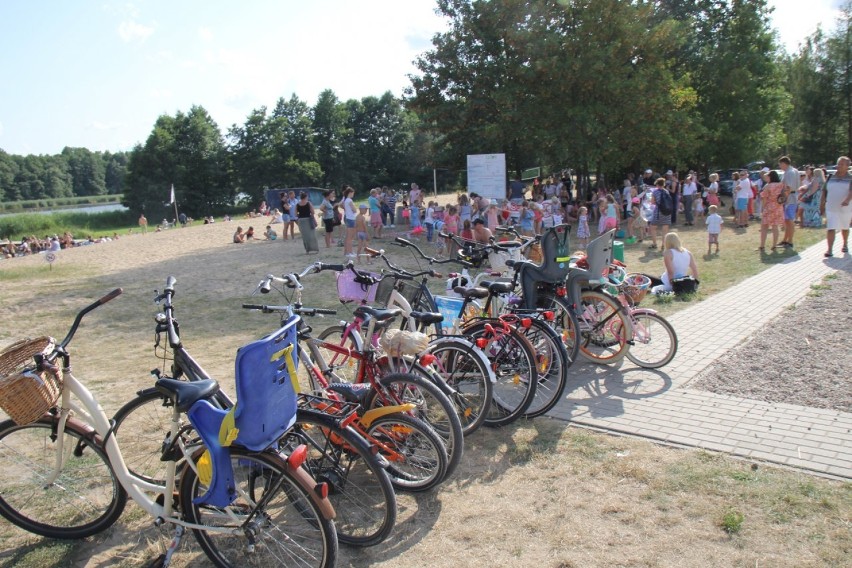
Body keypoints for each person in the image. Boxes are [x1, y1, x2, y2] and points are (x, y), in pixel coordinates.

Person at [820, 156, 852, 257]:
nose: (839, 166)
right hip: (831, 207)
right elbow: (824, 191)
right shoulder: (830, 177)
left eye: (842, 164)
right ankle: (829, 250)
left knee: (845, 227)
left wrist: (847, 200)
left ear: (847, 166)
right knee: (831, 227)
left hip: (845, 208)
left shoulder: (850, 178)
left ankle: (845, 243)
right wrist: (822, 204)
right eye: (838, 163)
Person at [778, 156, 800, 248]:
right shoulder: (791, 171)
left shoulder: (790, 172)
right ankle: (785, 239)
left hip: (790, 199)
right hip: (790, 198)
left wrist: (783, 198)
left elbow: (788, 188)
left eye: (780, 164)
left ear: (784, 163)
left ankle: (790, 241)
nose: (780, 166)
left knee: (790, 220)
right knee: (787, 220)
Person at [648, 178, 670, 249]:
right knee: (665, 229)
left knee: (653, 227)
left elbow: (652, 202)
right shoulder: (667, 192)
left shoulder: (655, 192)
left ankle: (654, 244)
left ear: (657, 184)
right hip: (667, 212)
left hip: (658, 212)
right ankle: (663, 245)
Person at [342, 186, 358, 257]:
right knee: (350, 238)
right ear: (350, 193)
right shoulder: (350, 200)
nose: (353, 194)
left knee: (348, 237)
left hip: (348, 218)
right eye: (353, 193)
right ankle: (349, 252)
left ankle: (348, 252)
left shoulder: (345, 200)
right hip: (351, 219)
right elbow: (354, 210)